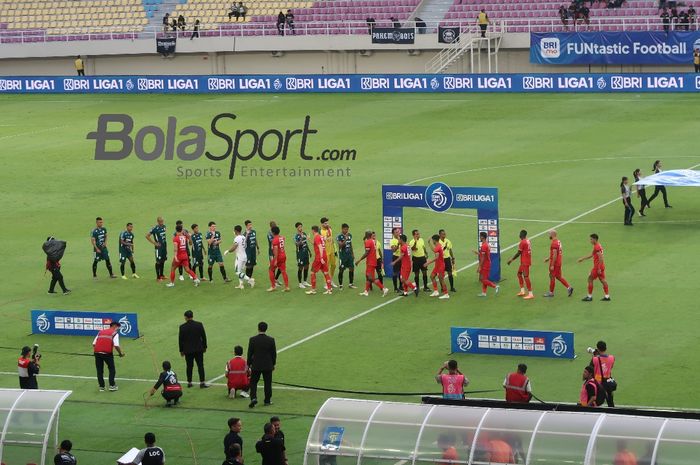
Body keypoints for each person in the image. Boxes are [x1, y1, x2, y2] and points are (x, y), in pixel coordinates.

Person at [247, 321, 277, 408]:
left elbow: (250, 353)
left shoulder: (252, 340)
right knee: (268, 383)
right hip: (267, 365)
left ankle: (253, 398)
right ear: (266, 329)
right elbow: (273, 354)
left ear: (258, 328)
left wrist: (248, 364)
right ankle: (267, 400)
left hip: (256, 365)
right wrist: (273, 364)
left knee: (253, 382)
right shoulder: (271, 340)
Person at [179, 310, 209, 388]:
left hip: (188, 350)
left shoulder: (182, 327)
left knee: (189, 366)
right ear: (192, 316)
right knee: (200, 365)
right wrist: (204, 346)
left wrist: (181, 350)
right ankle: (202, 382)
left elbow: (180, 340)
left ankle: (189, 382)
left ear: (185, 317)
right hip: (199, 349)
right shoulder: (199, 325)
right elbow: (203, 336)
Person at [355, 230, 389, 297]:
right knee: (368, 276)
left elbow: (366, 253)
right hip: (372, 261)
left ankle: (384, 288)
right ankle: (366, 291)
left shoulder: (368, 242)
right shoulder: (373, 241)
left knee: (371, 278)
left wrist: (359, 260)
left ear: (367, 235)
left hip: (370, 262)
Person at [93, 321, 124, 392]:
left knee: (99, 370)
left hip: (97, 353)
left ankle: (101, 387)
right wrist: (120, 353)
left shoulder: (101, 332)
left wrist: (96, 352)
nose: (118, 329)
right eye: (118, 328)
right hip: (107, 354)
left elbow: (94, 344)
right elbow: (116, 345)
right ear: (115, 326)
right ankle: (112, 386)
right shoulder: (115, 333)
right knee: (111, 369)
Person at [578, 233, 610, 301]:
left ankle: (589, 297)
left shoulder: (597, 247)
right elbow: (591, 255)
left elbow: (601, 258)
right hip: (601, 266)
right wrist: (582, 258)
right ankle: (607, 296)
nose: (590, 240)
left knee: (590, 279)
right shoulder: (598, 245)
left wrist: (598, 268)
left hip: (597, 267)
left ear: (595, 239)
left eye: (591, 239)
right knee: (602, 280)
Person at [543, 229, 573, 297]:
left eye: (549, 234)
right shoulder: (558, 241)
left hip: (555, 263)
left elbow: (555, 255)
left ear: (553, 234)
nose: (549, 235)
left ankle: (551, 292)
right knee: (559, 277)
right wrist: (548, 258)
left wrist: (552, 264)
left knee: (552, 276)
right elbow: (556, 253)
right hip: (559, 262)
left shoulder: (554, 243)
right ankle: (569, 288)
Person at [224, 225, 255, 289]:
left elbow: (234, 247)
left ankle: (250, 279)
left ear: (235, 231)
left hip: (240, 257)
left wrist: (228, 251)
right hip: (244, 256)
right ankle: (241, 284)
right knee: (240, 271)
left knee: (237, 272)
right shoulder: (243, 237)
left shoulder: (237, 238)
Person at [507, 229, 534, 300]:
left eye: (520, 234)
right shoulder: (527, 240)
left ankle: (531, 294)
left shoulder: (522, 242)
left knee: (526, 277)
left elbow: (519, 253)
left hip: (525, 262)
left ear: (522, 235)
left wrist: (511, 260)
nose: (519, 235)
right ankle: (522, 291)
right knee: (519, 274)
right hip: (525, 261)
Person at [306, 225, 332, 295]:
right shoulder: (320, 236)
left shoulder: (317, 237)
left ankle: (313, 289)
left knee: (312, 272)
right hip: (324, 255)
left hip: (319, 257)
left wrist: (320, 258)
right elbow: (315, 244)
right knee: (325, 272)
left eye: (312, 230)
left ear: (313, 230)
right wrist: (309, 239)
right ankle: (329, 289)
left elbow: (320, 246)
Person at [591, 340, 616, 407]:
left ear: (598, 349)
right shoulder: (612, 358)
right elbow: (611, 367)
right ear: (606, 348)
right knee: (610, 401)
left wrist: (595, 356)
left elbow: (590, 369)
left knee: (597, 402)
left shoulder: (595, 359)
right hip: (608, 381)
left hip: (598, 383)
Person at [424, 234, 449, 299]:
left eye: (432, 240)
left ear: (434, 240)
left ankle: (446, 294)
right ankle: (436, 291)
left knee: (441, 279)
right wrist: (429, 243)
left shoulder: (438, 247)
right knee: (432, 276)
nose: (432, 241)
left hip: (440, 266)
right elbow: (434, 250)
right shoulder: (438, 246)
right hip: (437, 265)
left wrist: (428, 262)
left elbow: (436, 258)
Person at [475, 231, 499, 297]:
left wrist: (479, 266)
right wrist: (478, 253)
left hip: (485, 265)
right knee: (485, 279)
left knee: (483, 279)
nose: (479, 237)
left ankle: (495, 286)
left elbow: (482, 258)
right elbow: (484, 255)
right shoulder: (486, 244)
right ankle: (484, 293)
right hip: (487, 263)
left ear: (482, 237)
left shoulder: (484, 246)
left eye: (480, 236)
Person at [145, 216, 167, 282]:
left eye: (162, 221)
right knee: (158, 261)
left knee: (163, 260)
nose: (162, 223)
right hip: (158, 248)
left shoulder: (164, 227)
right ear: (158, 222)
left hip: (164, 246)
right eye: (160, 221)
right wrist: (154, 243)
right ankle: (158, 277)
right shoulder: (155, 228)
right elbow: (147, 236)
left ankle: (162, 275)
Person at [268, 226, 290, 292]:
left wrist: (275, 260)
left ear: (273, 232)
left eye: (271, 231)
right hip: (284, 255)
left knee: (271, 270)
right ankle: (287, 287)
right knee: (283, 271)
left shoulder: (274, 240)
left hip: (278, 257)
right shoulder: (282, 237)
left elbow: (276, 250)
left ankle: (273, 286)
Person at [320, 218, 338, 288]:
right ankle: (325, 283)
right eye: (325, 223)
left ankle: (330, 279)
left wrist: (335, 249)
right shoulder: (321, 231)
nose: (327, 224)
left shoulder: (330, 229)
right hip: (326, 252)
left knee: (334, 265)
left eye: (327, 223)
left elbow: (332, 240)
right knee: (326, 267)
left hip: (332, 251)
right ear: (322, 224)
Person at [337, 223, 356, 289]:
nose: (346, 231)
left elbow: (350, 244)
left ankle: (351, 284)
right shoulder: (339, 236)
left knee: (351, 269)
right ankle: (340, 285)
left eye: (347, 229)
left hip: (349, 256)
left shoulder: (350, 235)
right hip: (343, 256)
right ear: (342, 229)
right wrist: (345, 239)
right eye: (345, 229)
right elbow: (340, 245)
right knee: (341, 270)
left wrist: (353, 253)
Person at [294, 222, 311, 288]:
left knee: (306, 266)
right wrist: (301, 238)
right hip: (300, 253)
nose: (301, 228)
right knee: (301, 267)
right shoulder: (296, 236)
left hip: (305, 253)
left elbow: (306, 243)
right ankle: (300, 283)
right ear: (297, 228)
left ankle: (305, 281)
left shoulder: (304, 234)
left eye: (301, 226)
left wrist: (309, 251)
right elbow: (297, 244)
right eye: (299, 227)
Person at [389, 227, 402, 292]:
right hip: (396, 257)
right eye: (396, 232)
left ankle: (401, 286)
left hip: (402, 257)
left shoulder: (402, 238)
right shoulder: (392, 241)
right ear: (393, 234)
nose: (398, 233)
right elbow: (393, 250)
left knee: (401, 272)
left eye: (398, 231)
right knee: (395, 273)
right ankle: (395, 288)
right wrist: (398, 244)